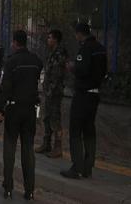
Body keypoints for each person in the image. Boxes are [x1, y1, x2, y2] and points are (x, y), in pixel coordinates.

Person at [0, 30, 43, 201]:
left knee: (9, 147)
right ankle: (29, 190)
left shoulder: (12, 61)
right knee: (28, 149)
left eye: (12, 42)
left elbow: (6, 87)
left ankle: (8, 187)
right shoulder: (36, 61)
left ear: (15, 43)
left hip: (14, 109)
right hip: (30, 109)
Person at [60, 23, 107, 179]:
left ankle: (77, 167)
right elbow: (103, 71)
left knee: (75, 131)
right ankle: (88, 167)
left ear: (80, 34)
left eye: (76, 34)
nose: (76, 36)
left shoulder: (86, 48)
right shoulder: (100, 48)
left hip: (83, 95)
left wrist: (72, 67)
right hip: (95, 95)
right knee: (89, 131)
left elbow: (82, 69)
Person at [35, 30, 68, 158]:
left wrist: (50, 90)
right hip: (48, 91)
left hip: (54, 92)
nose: (48, 40)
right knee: (47, 118)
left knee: (55, 119)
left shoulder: (60, 54)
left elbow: (58, 75)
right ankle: (46, 143)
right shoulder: (52, 53)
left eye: (50, 37)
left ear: (55, 39)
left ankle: (58, 147)